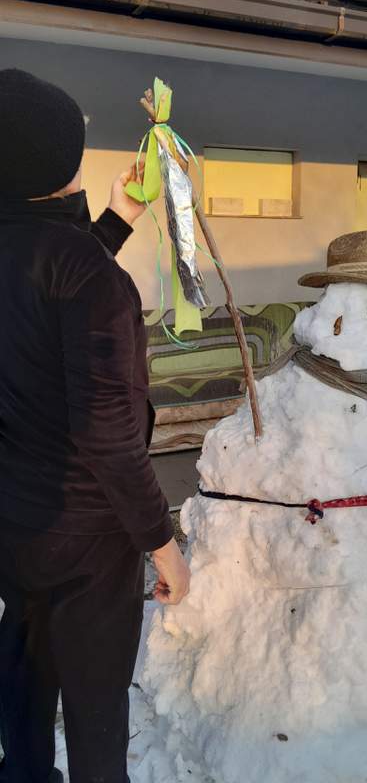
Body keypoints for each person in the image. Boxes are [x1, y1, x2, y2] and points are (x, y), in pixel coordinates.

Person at [0, 68, 190, 783]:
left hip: (12, 522)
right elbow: (109, 434)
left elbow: (40, 286)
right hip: (86, 537)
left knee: (21, 689)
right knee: (95, 708)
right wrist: (163, 545)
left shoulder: (35, 253)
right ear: (58, 158)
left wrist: (112, 222)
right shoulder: (94, 279)